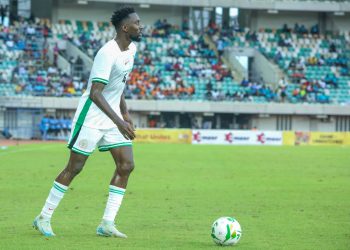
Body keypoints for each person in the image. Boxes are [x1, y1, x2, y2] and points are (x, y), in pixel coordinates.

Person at [33, 6, 143, 238]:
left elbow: (118, 86)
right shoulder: (107, 52)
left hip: (113, 117)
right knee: (75, 167)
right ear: (125, 27)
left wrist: (125, 114)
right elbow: (96, 92)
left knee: (126, 165)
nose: (140, 26)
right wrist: (119, 121)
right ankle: (43, 216)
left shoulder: (131, 49)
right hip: (92, 117)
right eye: (137, 23)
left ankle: (107, 223)